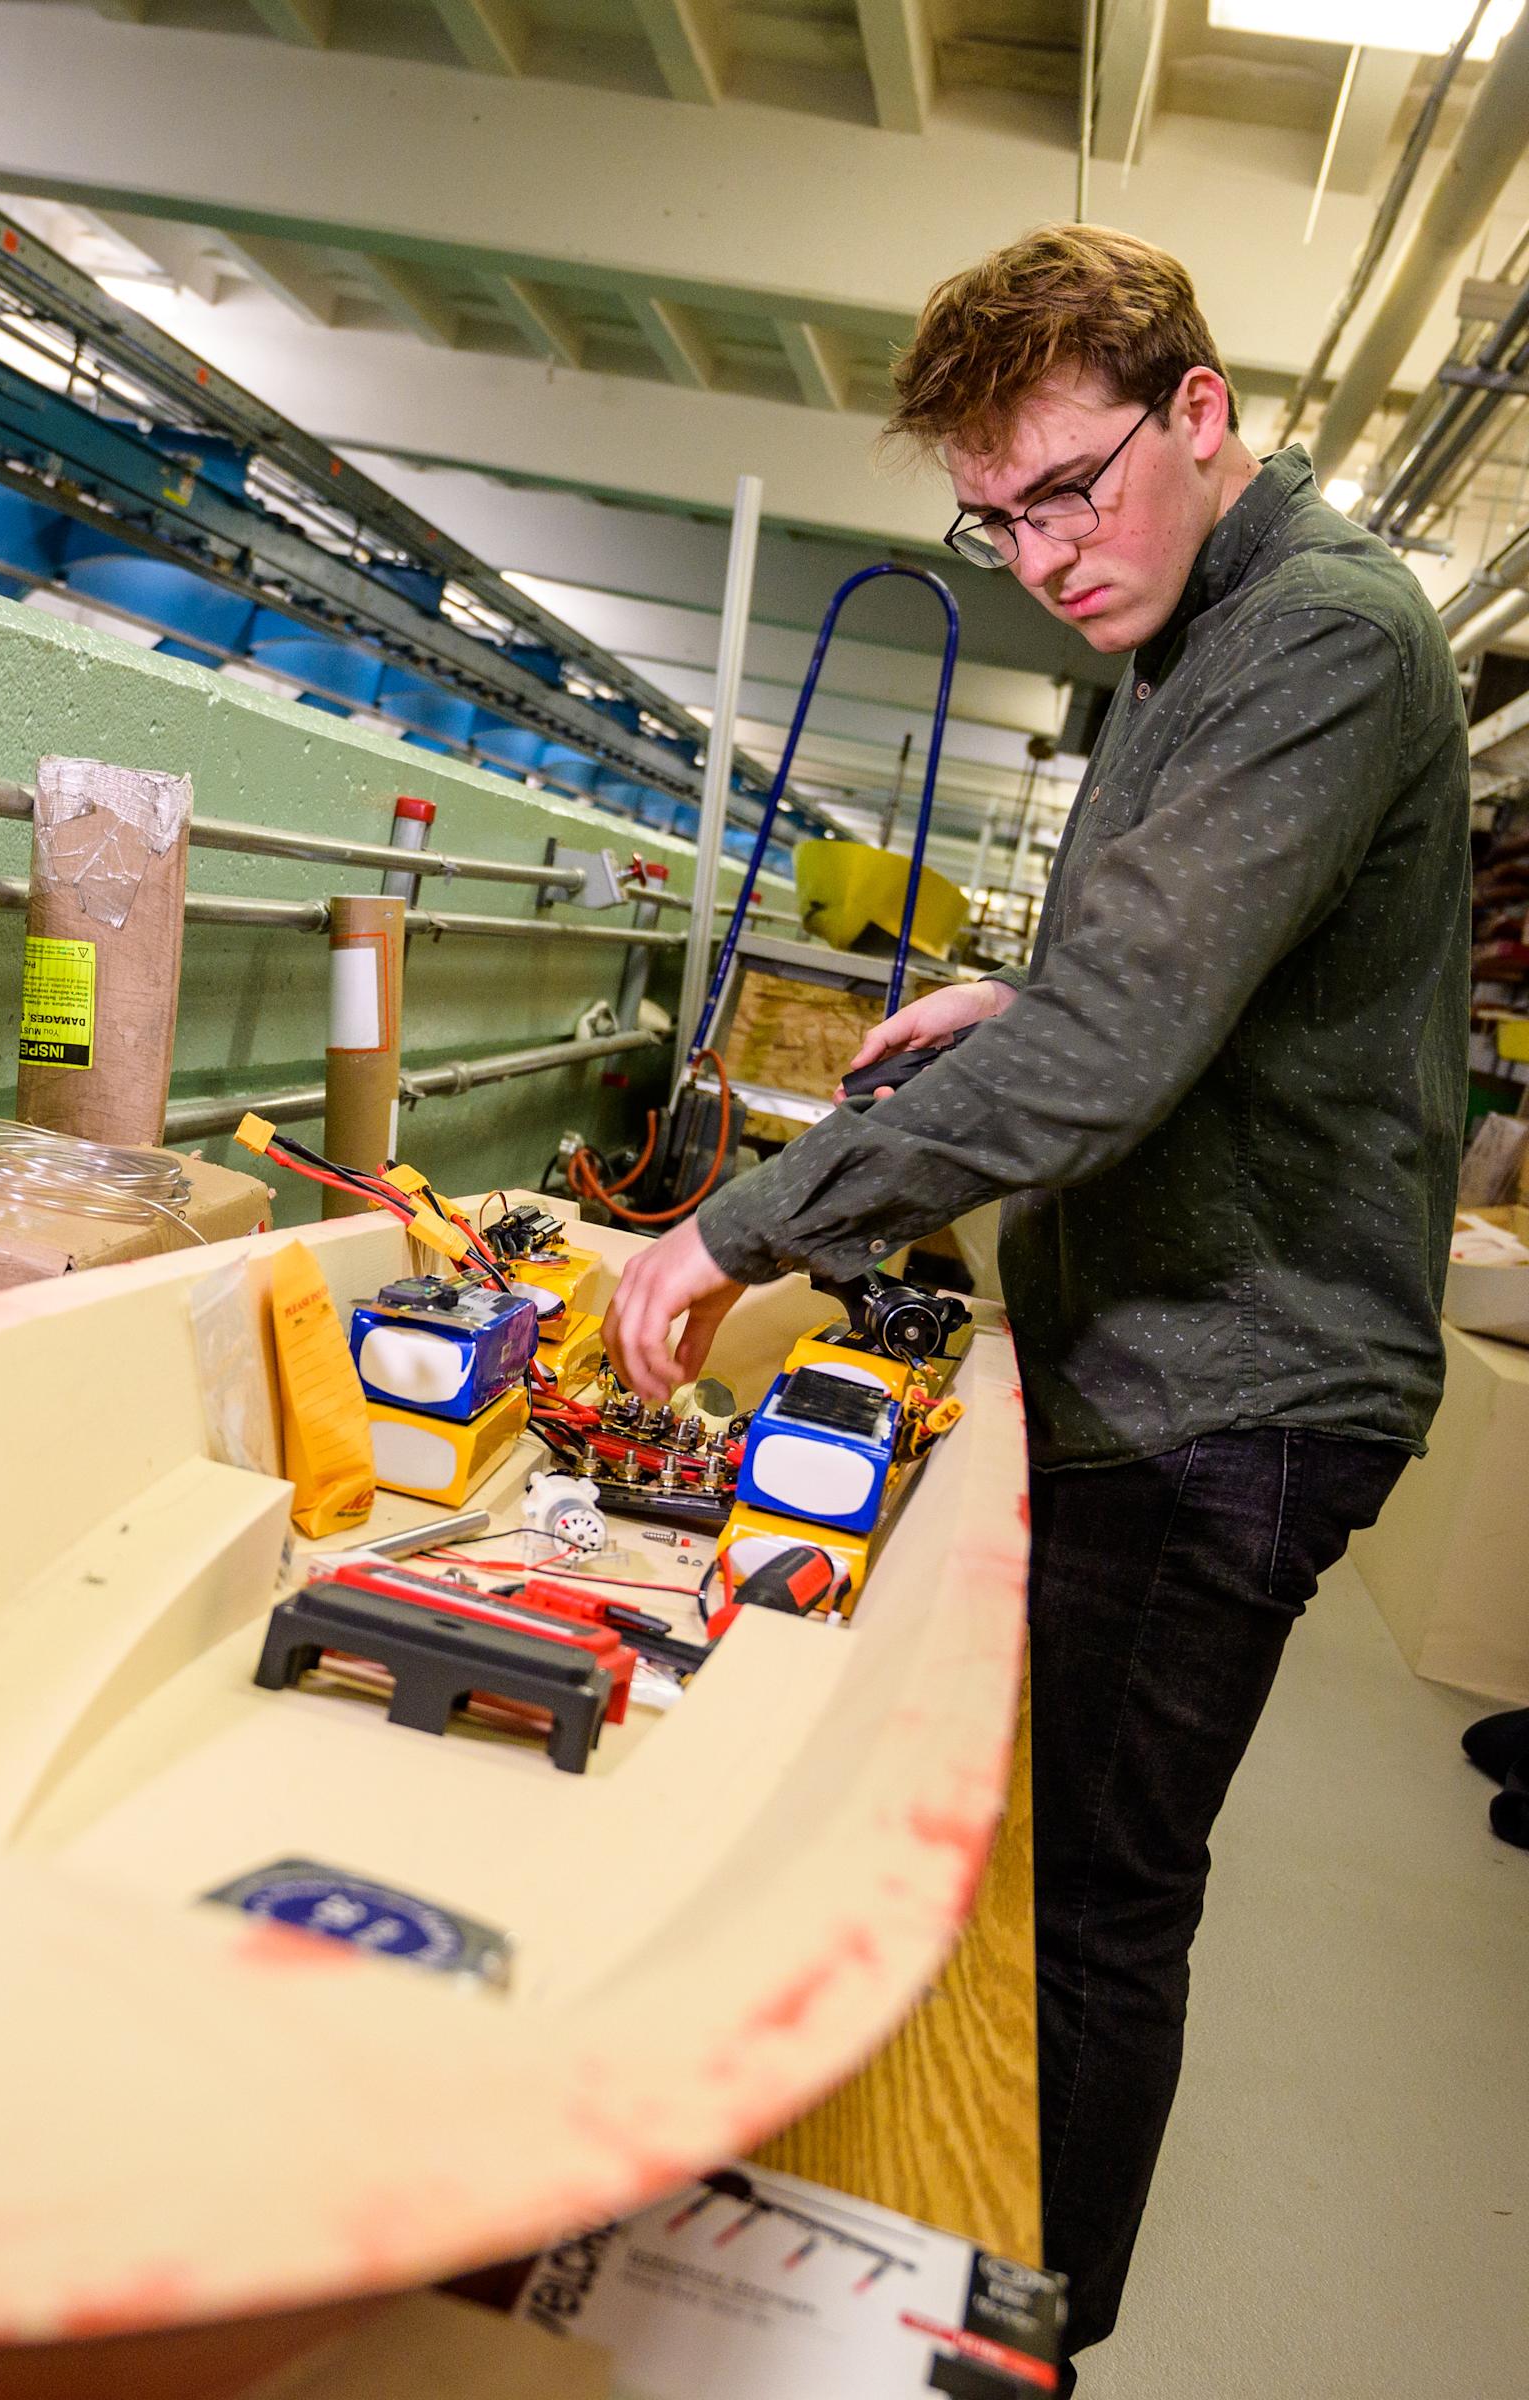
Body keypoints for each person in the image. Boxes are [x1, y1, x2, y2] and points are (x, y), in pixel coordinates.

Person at [602, 224, 1469, 2374]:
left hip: (1232, 1393)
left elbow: (1115, 1057)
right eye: (992, 521)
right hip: (1154, 1367)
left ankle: (1013, 2346)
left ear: (1202, 412)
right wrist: (1027, 987)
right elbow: (1149, 985)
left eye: (1069, 488)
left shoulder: (1325, 640)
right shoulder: (1184, 647)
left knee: (1093, 1918)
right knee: (1047, 1878)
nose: (1041, 556)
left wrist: (741, 1230)